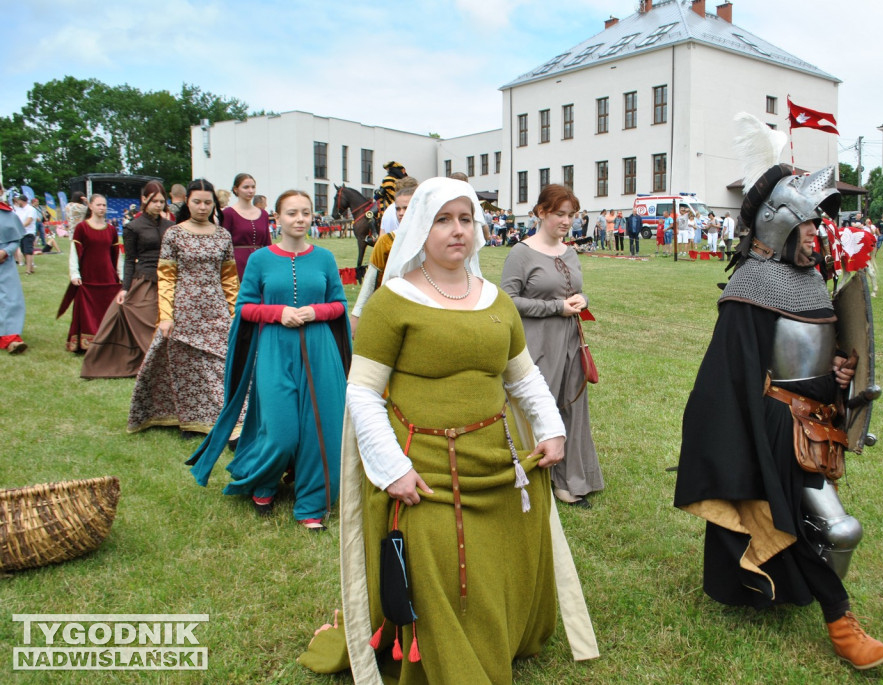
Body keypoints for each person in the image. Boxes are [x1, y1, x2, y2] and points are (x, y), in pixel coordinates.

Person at [338, 177, 597, 682]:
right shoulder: (392, 303)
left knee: (500, 561)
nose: (458, 231)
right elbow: (363, 393)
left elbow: (522, 377)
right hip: (423, 472)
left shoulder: (496, 301)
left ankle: (499, 630)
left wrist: (550, 428)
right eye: (443, 219)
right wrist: (392, 468)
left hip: (495, 464)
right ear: (419, 228)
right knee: (439, 564)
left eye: (466, 219)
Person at [673, 115, 883, 671]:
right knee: (833, 526)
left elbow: (823, 355)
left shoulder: (811, 280)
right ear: (779, 227)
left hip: (814, 419)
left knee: (804, 522)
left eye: (820, 228)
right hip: (771, 422)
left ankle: (779, 587)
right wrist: (746, 443)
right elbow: (731, 374)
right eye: (811, 227)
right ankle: (841, 624)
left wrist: (841, 378)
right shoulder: (749, 288)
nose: (818, 236)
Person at [188, 190, 351, 531]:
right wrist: (278, 313)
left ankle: (311, 504)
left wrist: (315, 311)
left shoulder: (324, 259)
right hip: (275, 349)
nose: (300, 219)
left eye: (306, 212)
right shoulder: (261, 260)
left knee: (322, 430)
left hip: (320, 350)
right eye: (292, 213)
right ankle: (262, 481)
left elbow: (339, 304)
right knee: (281, 433)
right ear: (277, 217)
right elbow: (244, 307)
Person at [501, 184, 603, 508]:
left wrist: (583, 299)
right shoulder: (521, 253)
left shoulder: (570, 252)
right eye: (560, 213)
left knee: (573, 407)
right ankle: (532, 474)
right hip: (537, 343)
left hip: (571, 341)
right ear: (542, 212)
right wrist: (555, 308)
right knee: (539, 408)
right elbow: (508, 301)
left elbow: (577, 290)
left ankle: (571, 480)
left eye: (571, 215)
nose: (567, 221)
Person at [127, 179, 241, 438]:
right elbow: (166, 277)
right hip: (183, 310)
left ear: (215, 204)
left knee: (220, 365)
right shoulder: (174, 234)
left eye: (207, 202)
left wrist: (235, 313)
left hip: (215, 310)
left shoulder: (223, 235)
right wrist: (165, 316)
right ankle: (189, 422)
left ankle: (222, 418)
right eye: (197, 202)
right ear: (186, 202)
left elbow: (230, 279)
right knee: (186, 369)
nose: (202, 207)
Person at [81, 182, 174, 378]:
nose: (158, 205)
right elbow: (130, 259)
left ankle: (166, 363)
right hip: (144, 279)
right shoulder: (133, 227)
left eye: (161, 201)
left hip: (170, 280)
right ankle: (155, 364)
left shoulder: (171, 227)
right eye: (154, 201)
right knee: (142, 317)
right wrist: (125, 288)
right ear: (144, 199)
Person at [350, 181, 418, 331]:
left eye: (406, 208)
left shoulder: (432, 240)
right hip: (392, 308)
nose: (401, 213)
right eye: (398, 209)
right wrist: (356, 316)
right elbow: (371, 280)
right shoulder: (387, 241)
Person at [59, 194, 121, 353]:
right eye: (99, 205)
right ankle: (85, 343)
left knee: (107, 310)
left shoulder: (111, 230)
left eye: (104, 205)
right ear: (91, 206)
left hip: (107, 278)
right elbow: (74, 252)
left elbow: (116, 255)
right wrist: (75, 274)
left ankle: (106, 342)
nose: (102, 208)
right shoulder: (82, 228)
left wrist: (120, 275)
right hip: (88, 278)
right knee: (86, 311)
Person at [220, 173, 271, 280]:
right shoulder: (228, 213)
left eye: (253, 187)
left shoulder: (264, 214)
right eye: (246, 187)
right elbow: (223, 244)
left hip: (260, 263)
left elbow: (267, 243)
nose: (250, 191)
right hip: (237, 264)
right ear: (236, 189)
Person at [0, 189, 28, 354]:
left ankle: (10, 337)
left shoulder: (7, 214)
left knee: (10, 299)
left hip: (4, 263)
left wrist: (5, 252)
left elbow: (15, 239)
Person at [13, 195, 37, 275]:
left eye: (18, 200)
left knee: (28, 251)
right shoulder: (19, 210)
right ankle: (31, 268)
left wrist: (20, 227)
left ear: (22, 201)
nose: (17, 202)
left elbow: (29, 221)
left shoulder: (30, 209)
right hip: (21, 233)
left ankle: (28, 270)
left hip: (29, 232)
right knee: (23, 250)